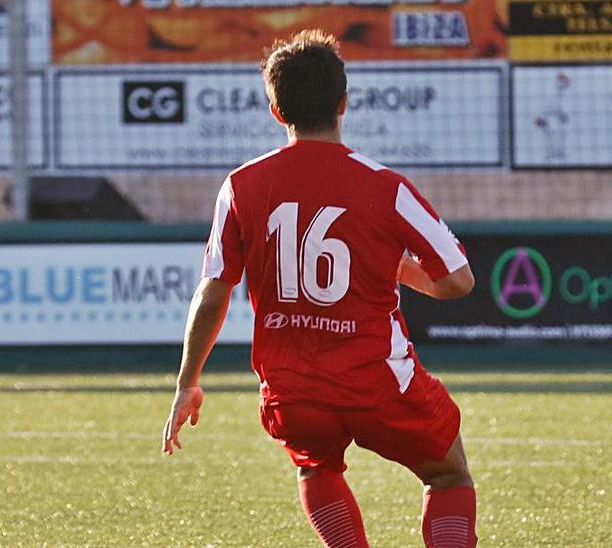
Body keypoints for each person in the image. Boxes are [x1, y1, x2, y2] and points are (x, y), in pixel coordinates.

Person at [161, 30, 478, 548]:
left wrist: (186, 383)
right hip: (377, 380)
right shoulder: (385, 185)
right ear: (344, 102)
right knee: (447, 475)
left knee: (316, 468)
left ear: (276, 111)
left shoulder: (241, 185)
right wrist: (396, 268)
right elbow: (457, 281)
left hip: (292, 387)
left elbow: (213, 290)